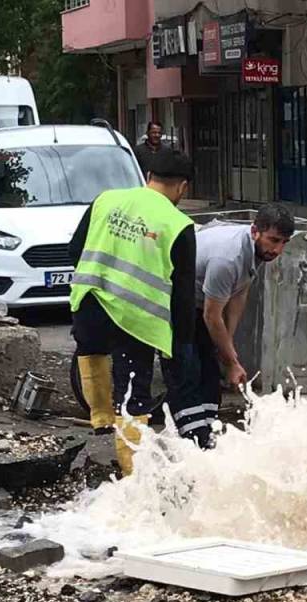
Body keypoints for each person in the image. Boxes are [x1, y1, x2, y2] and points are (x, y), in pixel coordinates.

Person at [69, 150, 197, 476]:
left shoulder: (106, 200)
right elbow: (183, 293)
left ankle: (99, 417)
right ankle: (132, 475)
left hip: (90, 303)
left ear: (149, 175)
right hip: (135, 320)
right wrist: (181, 344)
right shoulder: (178, 224)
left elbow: (75, 249)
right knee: (132, 394)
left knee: (91, 352)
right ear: (182, 187)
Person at [163, 204, 295, 446]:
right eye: (274, 240)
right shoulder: (228, 258)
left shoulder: (257, 251)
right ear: (255, 231)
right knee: (186, 369)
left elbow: (239, 293)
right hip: (170, 298)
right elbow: (212, 317)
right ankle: (192, 442)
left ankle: (208, 432)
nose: (278, 250)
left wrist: (227, 349)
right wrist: (232, 362)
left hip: (198, 299)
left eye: (284, 242)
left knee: (210, 370)